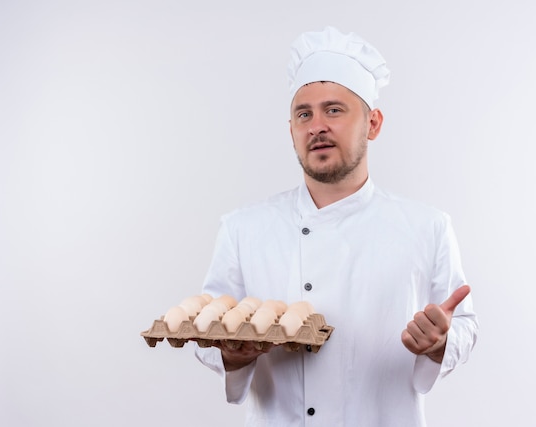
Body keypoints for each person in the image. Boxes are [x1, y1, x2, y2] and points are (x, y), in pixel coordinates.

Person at [195, 26, 478, 426]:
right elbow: (206, 330)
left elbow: (465, 325)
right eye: (303, 114)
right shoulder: (242, 229)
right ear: (291, 129)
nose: (316, 126)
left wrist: (440, 344)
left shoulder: (427, 226)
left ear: (373, 123)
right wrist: (230, 353)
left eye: (334, 110)